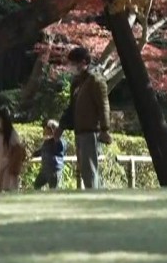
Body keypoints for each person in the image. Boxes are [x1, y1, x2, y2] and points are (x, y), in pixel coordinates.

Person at [62, 46, 112, 190]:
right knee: (85, 170)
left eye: (73, 63)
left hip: (91, 131)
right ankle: (98, 195)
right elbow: (72, 107)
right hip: (80, 131)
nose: (71, 67)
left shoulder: (95, 80)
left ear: (83, 62)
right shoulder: (78, 82)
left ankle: (95, 198)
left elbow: (104, 105)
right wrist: (63, 125)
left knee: (90, 170)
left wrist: (105, 128)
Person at [0, 108, 27, 192]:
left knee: (8, 188)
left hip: (9, 165)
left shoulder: (12, 134)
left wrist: (14, 163)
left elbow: (17, 150)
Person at [33, 119, 67, 190]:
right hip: (45, 170)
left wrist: (56, 138)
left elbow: (60, 149)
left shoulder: (60, 141)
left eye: (48, 128)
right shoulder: (47, 141)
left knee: (53, 190)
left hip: (54, 170)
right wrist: (33, 154)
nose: (45, 130)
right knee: (37, 185)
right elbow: (43, 150)